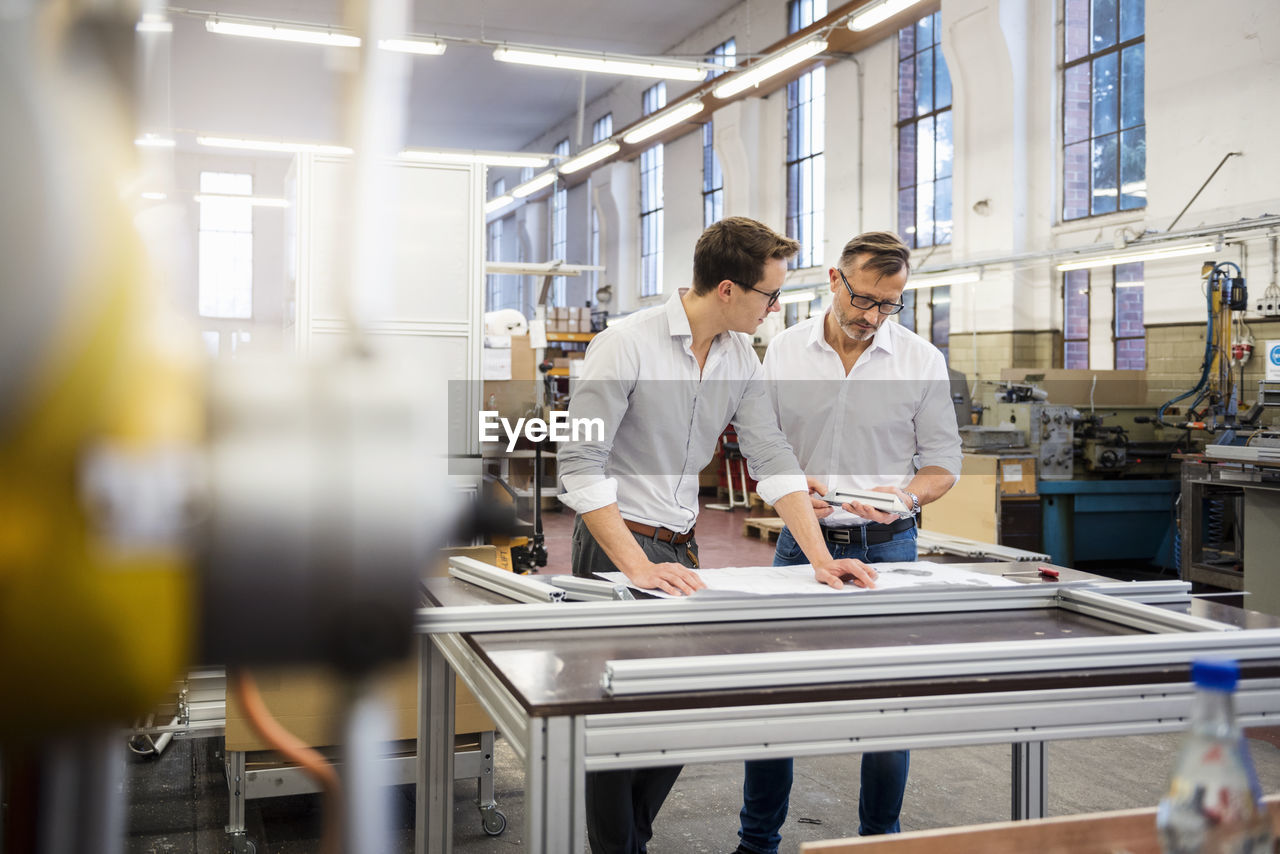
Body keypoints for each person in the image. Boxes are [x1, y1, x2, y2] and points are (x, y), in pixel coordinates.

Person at [557, 216, 880, 854]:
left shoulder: (738, 355)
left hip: (681, 545)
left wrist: (820, 558)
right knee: (620, 718)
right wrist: (634, 568)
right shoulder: (625, 344)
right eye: (770, 294)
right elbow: (578, 463)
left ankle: (632, 840)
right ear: (728, 290)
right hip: (620, 540)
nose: (777, 307)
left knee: (684, 714)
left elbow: (770, 453)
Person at [735, 231, 963, 854]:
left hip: (887, 547)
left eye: (889, 305)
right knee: (776, 702)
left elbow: (943, 463)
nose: (873, 317)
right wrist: (779, 493)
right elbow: (759, 447)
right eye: (864, 300)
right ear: (835, 281)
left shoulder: (920, 360)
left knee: (888, 709)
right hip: (801, 546)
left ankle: (879, 841)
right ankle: (757, 844)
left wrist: (903, 498)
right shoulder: (780, 351)